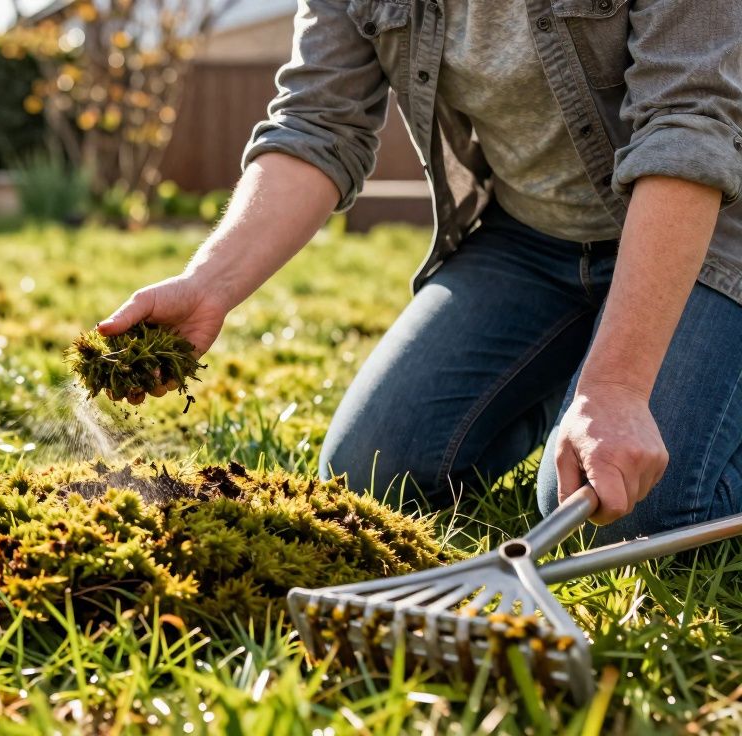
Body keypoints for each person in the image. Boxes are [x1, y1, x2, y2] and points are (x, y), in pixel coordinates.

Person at [99, 0, 742, 541]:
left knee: (622, 513)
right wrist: (209, 283)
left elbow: (688, 124)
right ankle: (590, 361)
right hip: (532, 237)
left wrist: (617, 386)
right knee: (373, 474)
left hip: (710, 236)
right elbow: (318, 123)